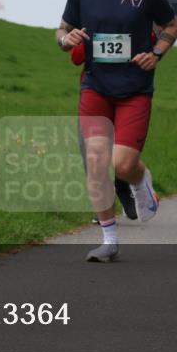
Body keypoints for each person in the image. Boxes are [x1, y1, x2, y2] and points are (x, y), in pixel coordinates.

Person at [58, 0, 177, 262]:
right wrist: (65, 41)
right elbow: (63, 30)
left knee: (123, 165)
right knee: (96, 163)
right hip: (95, 85)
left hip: (134, 89)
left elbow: (171, 25)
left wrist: (157, 54)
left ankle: (141, 181)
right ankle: (109, 239)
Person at [69, 38, 139, 221]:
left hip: (124, 96)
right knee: (90, 156)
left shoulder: (130, 20)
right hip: (94, 95)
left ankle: (123, 186)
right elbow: (76, 57)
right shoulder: (90, 22)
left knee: (118, 152)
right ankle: (103, 205)